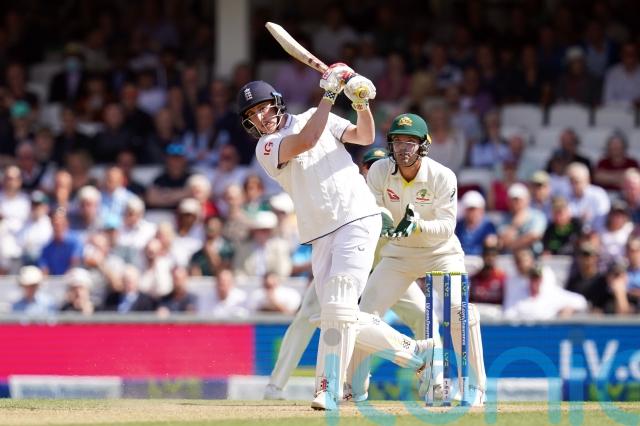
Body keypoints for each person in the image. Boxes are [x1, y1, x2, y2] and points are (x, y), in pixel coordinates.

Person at [237, 70, 435, 410]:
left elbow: (364, 135)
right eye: (253, 114)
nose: (261, 117)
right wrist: (329, 95)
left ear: (277, 103)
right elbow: (306, 141)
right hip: (320, 233)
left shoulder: (316, 117)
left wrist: (360, 103)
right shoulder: (265, 147)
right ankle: (417, 353)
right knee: (335, 313)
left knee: (339, 306)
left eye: (264, 107)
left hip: (357, 217)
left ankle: (327, 389)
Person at [354, 113, 487, 406]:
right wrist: (384, 221)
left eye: (410, 142)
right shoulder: (379, 171)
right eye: (397, 141)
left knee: (459, 311)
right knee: (362, 316)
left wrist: (417, 226)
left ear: (424, 145)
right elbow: (373, 211)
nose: (403, 148)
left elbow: (447, 228)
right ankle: (355, 389)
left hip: (441, 254)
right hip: (399, 254)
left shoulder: (442, 176)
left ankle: (474, 388)